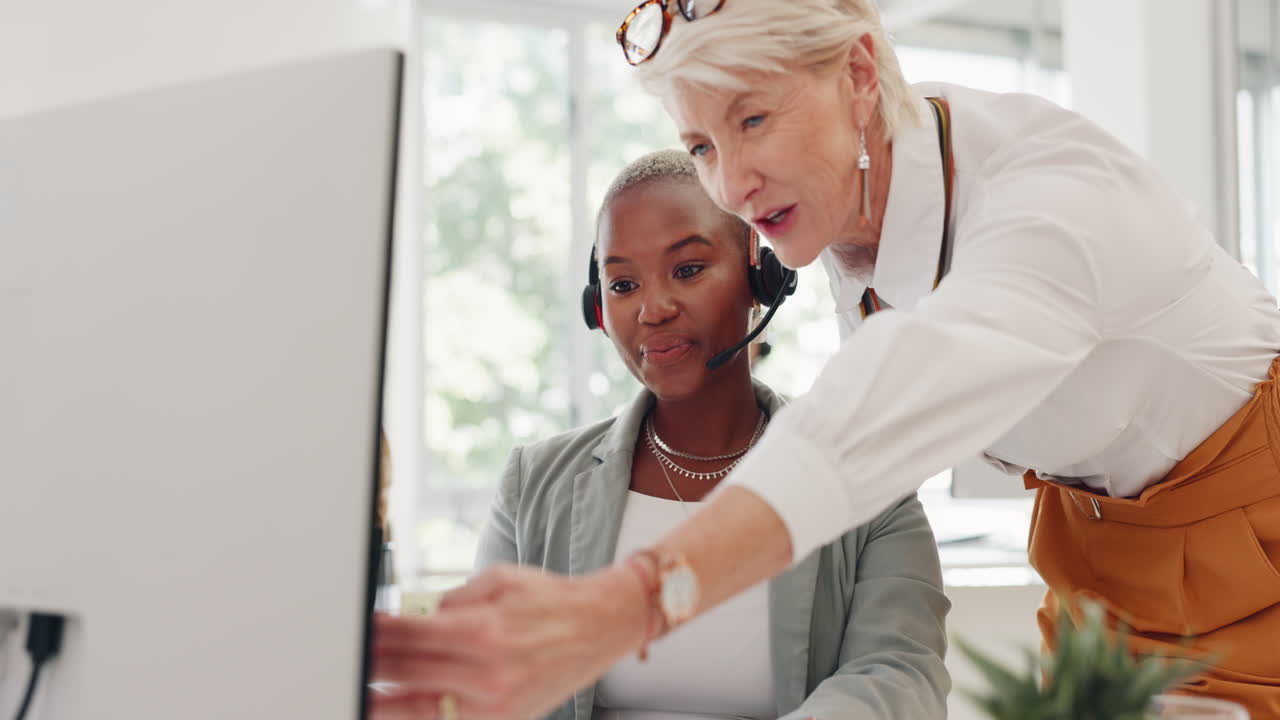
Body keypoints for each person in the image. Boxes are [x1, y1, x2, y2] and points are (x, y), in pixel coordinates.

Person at [370, 2, 1280, 719]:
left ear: (858, 74)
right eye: (702, 145)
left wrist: (621, 608)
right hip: (1097, 563)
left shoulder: (1050, 202)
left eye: (754, 119)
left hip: (1259, 538)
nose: (732, 183)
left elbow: (869, 417)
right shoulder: (854, 206)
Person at [467, 148, 948, 720]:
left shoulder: (870, 480)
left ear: (761, 277)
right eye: (623, 284)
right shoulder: (533, 484)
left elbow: (901, 674)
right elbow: (485, 680)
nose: (653, 309)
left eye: (688, 270)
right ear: (597, 308)